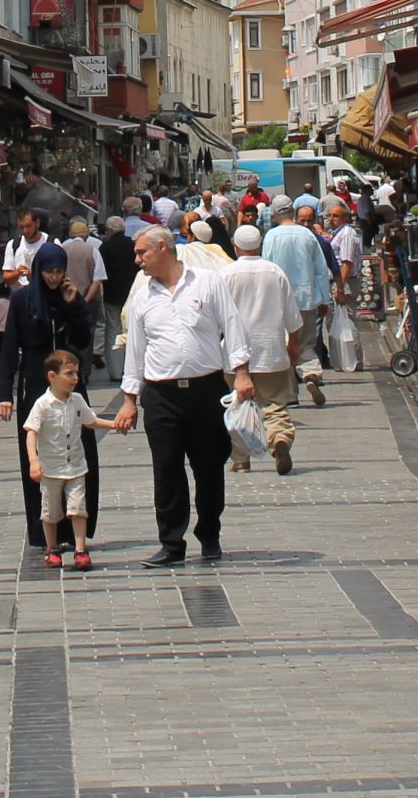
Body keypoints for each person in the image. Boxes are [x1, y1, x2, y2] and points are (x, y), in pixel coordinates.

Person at [112, 225, 252, 568]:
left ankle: (209, 534)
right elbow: (136, 350)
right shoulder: (142, 295)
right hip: (161, 395)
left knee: (209, 466)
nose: (137, 259)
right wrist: (130, 397)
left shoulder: (206, 282)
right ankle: (171, 543)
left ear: (163, 248)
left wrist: (242, 372)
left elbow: (232, 325)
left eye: (141, 252)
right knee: (167, 469)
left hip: (206, 390)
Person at [0, 242, 105, 551]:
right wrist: (4, 394)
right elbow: (8, 349)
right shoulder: (21, 300)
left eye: (59, 271)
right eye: (49, 271)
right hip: (34, 380)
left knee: (80, 449)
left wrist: (73, 305)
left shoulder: (68, 296)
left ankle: (77, 527)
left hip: (69, 380)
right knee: (38, 458)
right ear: (38, 270)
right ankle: (45, 532)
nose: (54, 278)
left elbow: (83, 340)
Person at [222, 224, 303, 475]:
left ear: (235, 246)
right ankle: (279, 438)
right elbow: (293, 317)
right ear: (260, 245)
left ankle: (241, 459)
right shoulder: (275, 272)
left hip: (235, 354)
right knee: (275, 403)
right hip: (271, 349)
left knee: (236, 407)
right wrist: (294, 344)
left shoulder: (225, 274)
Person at [21, 349, 108, 570]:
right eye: (69, 373)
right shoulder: (42, 404)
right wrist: (34, 461)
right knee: (50, 511)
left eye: (76, 373)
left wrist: (116, 424)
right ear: (52, 376)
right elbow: (31, 432)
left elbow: (91, 421)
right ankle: (52, 549)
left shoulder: (77, 400)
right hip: (50, 468)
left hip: (76, 466)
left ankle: (81, 550)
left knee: (78, 507)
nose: (75, 378)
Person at [264, 206, 335, 402]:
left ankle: (290, 395)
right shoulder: (307, 235)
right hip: (306, 298)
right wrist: (324, 299)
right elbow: (321, 270)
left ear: (277, 216)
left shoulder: (271, 236)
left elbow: (266, 268)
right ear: (293, 215)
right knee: (306, 341)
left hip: (279, 301)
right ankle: (311, 373)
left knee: (284, 344)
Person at [98, 213, 139, 379]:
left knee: (113, 330)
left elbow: (101, 271)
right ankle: (132, 370)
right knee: (133, 330)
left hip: (112, 294)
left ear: (109, 230)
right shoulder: (133, 245)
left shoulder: (105, 247)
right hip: (132, 293)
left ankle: (115, 371)